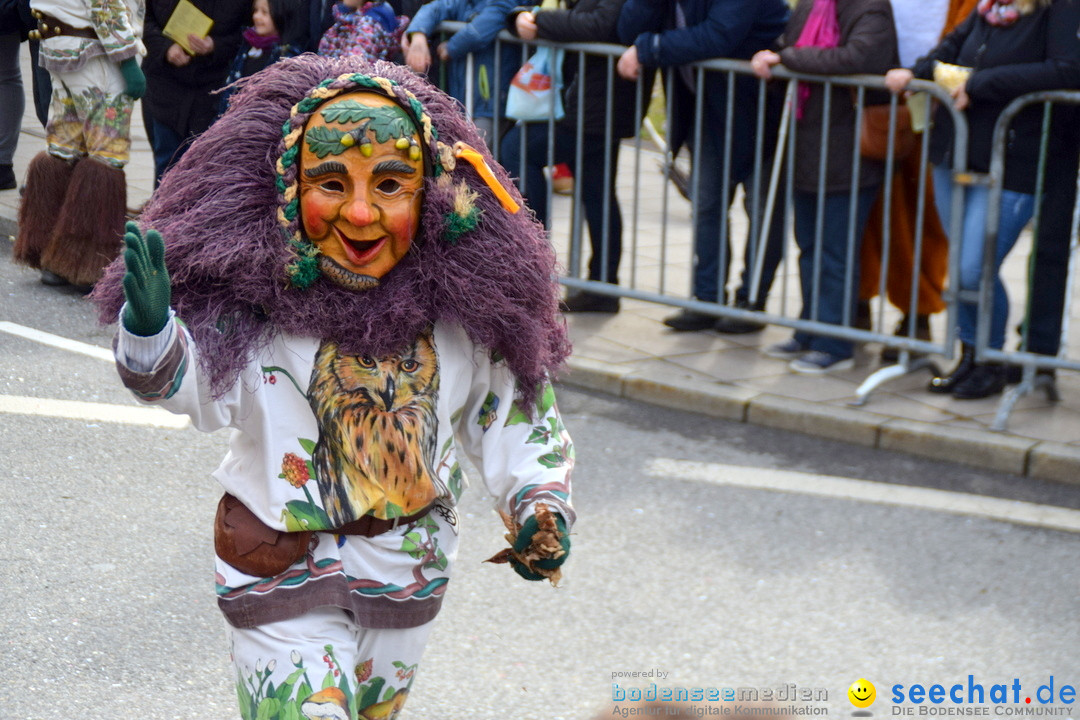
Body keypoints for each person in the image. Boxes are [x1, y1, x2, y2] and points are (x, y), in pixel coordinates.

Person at [91, 55, 574, 720]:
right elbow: (191, 385)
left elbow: (513, 413)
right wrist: (151, 332)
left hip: (407, 570)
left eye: (390, 184)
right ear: (290, 190)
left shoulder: (460, 308)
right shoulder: (261, 298)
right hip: (277, 566)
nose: (359, 212)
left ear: (429, 195)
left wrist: (538, 506)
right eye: (330, 181)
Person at [885, 0, 1080, 397]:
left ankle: (990, 359)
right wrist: (919, 72)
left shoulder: (1059, 8)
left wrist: (975, 83)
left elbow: (1066, 70)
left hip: (1013, 158)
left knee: (974, 268)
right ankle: (972, 356)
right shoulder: (987, 8)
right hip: (955, 150)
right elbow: (946, 52)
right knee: (964, 269)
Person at [617, 0, 790, 331]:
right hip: (709, 114)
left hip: (760, 115)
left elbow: (719, 35)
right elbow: (629, 30)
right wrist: (643, 44)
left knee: (763, 210)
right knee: (707, 206)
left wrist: (648, 48)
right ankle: (706, 299)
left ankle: (751, 303)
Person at [754, 0, 899, 373]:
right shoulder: (812, 5)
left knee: (836, 252)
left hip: (849, 151)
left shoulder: (870, 9)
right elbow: (786, 45)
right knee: (810, 246)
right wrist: (781, 56)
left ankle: (835, 343)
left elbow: (857, 57)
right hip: (807, 147)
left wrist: (788, 58)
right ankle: (809, 330)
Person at [500, 0, 647, 314]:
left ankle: (534, 266)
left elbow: (597, 25)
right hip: (587, 105)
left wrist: (538, 19)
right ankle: (602, 287)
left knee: (518, 148)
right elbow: (533, 10)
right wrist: (519, 18)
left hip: (596, 105)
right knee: (597, 193)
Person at [856, 0, 976, 364]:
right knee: (867, 204)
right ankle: (856, 301)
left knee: (925, 212)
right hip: (876, 96)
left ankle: (918, 312)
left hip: (936, 106)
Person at [12, 0, 144, 290]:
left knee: (63, 146)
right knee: (105, 153)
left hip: (61, 49)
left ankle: (46, 252)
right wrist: (129, 61)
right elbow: (105, 6)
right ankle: (83, 262)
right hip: (97, 56)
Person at [141, 0, 248, 186]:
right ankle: (161, 213)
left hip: (214, 89)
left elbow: (254, 29)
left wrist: (215, 45)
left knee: (202, 170)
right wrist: (166, 48)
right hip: (163, 87)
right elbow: (141, 19)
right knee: (166, 166)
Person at [403, 0, 517, 143]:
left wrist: (451, 47)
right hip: (464, 102)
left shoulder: (505, 3)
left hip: (491, 103)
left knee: (477, 155)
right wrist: (418, 35)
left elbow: (484, 26)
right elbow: (435, 8)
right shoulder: (465, 2)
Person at [218, 0, 303, 114]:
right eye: (256, 10)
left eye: (264, 12)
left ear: (281, 15)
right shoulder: (247, 46)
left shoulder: (287, 58)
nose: (256, 16)